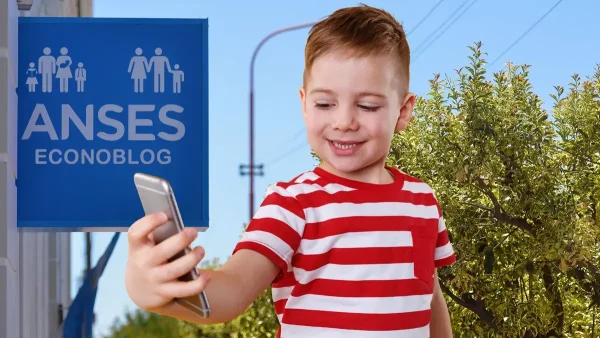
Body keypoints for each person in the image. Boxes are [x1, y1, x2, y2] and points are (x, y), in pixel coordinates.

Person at [125, 5, 456, 338]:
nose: (343, 122)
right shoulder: (292, 204)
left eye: (367, 105)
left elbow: (429, 296)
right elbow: (234, 287)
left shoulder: (422, 201)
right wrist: (158, 290)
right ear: (303, 104)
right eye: (325, 104)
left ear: (403, 111)